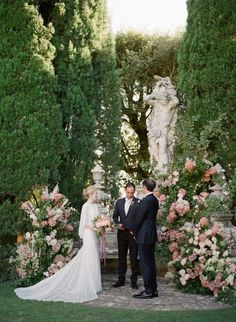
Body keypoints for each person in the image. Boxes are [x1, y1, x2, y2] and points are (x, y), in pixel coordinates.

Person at [15, 186, 102, 303]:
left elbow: (98, 220)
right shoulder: (85, 206)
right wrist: (96, 228)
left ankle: (95, 284)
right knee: (88, 256)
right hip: (89, 234)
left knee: (93, 256)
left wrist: (101, 227)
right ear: (91, 194)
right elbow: (85, 223)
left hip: (95, 234)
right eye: (96, 193)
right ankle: (87, 283)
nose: (97, 195)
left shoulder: (95, 206)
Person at [128, 179, 159, 299]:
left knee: (146, 264)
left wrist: (133, 230)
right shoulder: (155, 199)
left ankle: (148, 291)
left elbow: (139, 219)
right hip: (151, 235)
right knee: (151, 263)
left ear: (145, 187)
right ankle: (153, 289)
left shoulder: (145, 201)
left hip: (144, 236)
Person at [112, 182, 139, 289]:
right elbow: (114, 217)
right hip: (121, 233)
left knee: (133, 258)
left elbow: (139, 219)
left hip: (133, 234)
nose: (130, 195)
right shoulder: (119, 202)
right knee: (121, 257)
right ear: (125, 191)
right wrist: (118, 224)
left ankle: (134, 281)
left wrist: (135, 230)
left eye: (132, 193)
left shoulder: (138, 202)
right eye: (128, 192)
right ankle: (121, 280)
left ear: (134, 191)